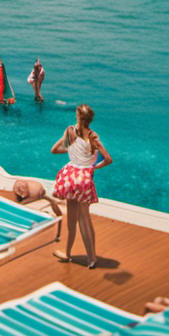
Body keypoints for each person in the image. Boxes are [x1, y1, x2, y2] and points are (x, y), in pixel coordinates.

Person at [51, 104, 112, 269]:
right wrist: (93, 166)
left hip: (70, 177)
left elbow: (55, 150)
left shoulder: (70, 131)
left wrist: (71, 149)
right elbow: (108, 159)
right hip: (84, 179)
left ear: (78, 117)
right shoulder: (93, 137)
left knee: (71, 220)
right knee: (85, 219)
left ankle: (67, 253)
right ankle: (92, 258)